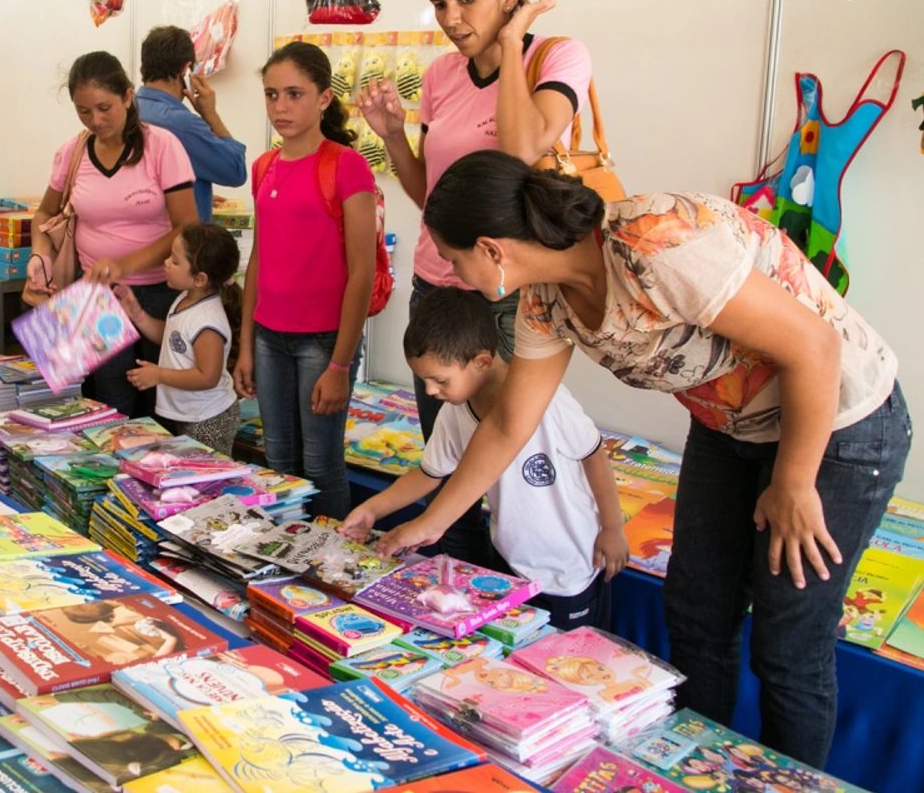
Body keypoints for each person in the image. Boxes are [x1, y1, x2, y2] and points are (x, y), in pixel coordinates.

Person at [378, 150, 910, 768]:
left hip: (837, 422)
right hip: (728, 427)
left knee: (788, 639)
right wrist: (433, 520)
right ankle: (698, 770)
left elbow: (815, 346)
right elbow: (506, 425)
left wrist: (793, 482)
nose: (451, 271)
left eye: (453, 256)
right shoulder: (544, 300)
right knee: (694, 615)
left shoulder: (657, 244)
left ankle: (790, 782)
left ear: (493, 249)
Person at [357, 0, 591, 561]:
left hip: (510, 293)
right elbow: (436, 201)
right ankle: (445, 576)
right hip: (439, 283)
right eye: (438, 4)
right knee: (443, 443)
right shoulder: (439, 75)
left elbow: (520, 152)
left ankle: (508, 581)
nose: (450, 19)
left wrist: (513, 41)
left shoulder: (557, 57)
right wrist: (393, 137)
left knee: (513, 450)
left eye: (466, 1)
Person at [342, 288, 628, 630]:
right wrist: (373, 509)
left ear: (481, 361)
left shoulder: (548, 403)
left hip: (570, 569)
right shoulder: (456, 412)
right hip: (512, 563)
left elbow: (594, 456)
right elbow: (428, 474)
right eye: (424, 380)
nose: (431, 390)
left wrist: (612, 528)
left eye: (440, 379)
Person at [234, 41, 374, 520]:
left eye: (294, 94)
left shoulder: (346, 165)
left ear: (323, 98)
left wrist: (339, 365)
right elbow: (258, 261)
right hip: (270, 338)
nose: (281, 107)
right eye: (272, 95)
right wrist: (247, 344)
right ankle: (287, 566)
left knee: (320, 465)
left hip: (323, 341)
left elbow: (362, 273)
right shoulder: (264, 167)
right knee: (278, 462)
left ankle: (332, 567)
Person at [25, 51, 201, 418]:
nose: (96, 120)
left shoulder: (162, 146)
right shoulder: (72, 152)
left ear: (127, 95)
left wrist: (123, 265)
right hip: (95, 300)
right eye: (84, 111)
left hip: (160, 294)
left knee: (161, 406)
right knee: (108, 405)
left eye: (104, 107)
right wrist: (39, 256)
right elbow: (45, 213)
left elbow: (187, 226)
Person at [116, 223, 242, 454]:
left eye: (175, 261)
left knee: (206, 479)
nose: (166, 263)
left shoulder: (207, 321)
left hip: (209, 419)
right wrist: (137, 314)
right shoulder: (186, 298)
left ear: (200, 279)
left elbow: (208, 377)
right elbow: (172, 338)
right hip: (192, 415)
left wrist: (159, 375)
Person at [136, 26, 247, 222]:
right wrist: (210, 114)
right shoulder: (181, 123)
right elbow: (235, 171)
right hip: (177, 245)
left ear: (143, 68)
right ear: (185, 69)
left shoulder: (128, 111)